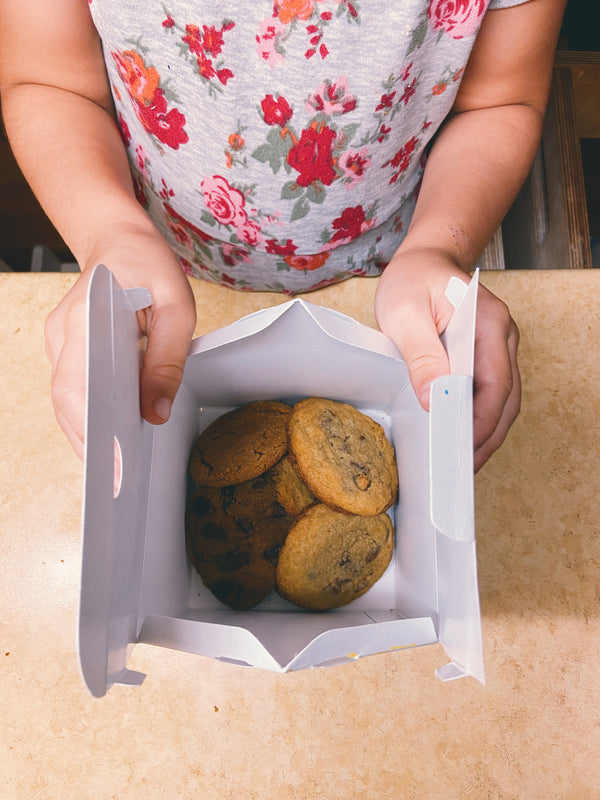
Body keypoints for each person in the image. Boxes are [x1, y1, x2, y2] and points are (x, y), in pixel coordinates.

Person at [0, 0, 566, 471]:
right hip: (162, 260)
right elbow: (50, 82)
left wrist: (438, 246)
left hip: (397, 253)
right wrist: (110, 231)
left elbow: (500, 100)